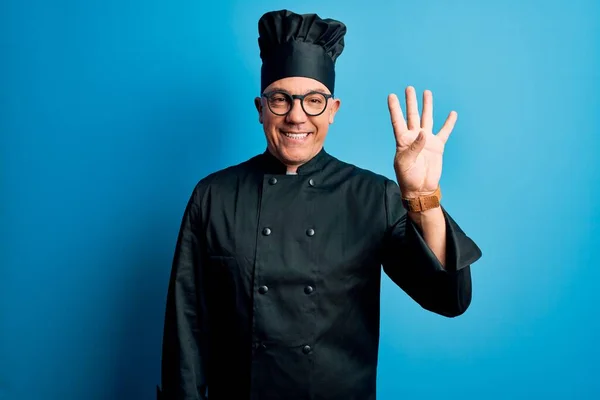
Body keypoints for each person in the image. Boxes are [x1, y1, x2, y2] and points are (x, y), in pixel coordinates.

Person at [157, 9, 482, 400]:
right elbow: (186, 327)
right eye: (280, 99)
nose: (296, 116)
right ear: (261, 109)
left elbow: (448, 298)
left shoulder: (371, 196)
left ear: (333, 110)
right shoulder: (214, 196)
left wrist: (422, 197)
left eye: (313, 100)